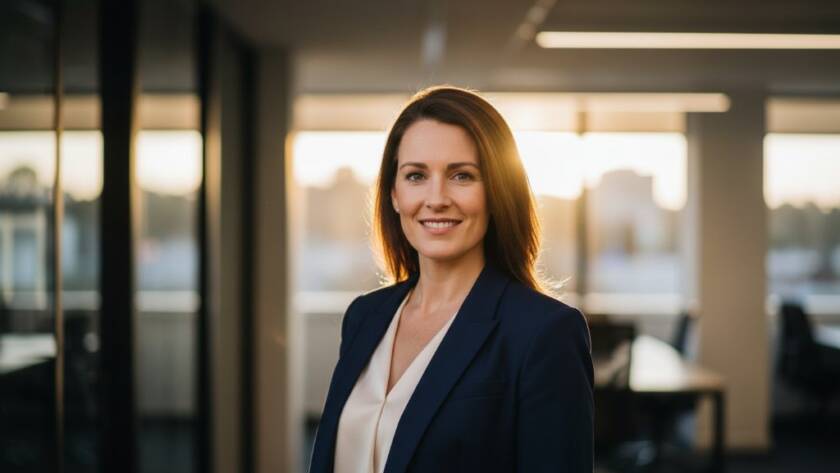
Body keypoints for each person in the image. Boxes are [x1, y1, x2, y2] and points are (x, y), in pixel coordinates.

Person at [309, 86, 593, 473]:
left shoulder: (543, 333)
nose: (437, 197)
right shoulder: (364, 317)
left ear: (496, 191)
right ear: (394, 194)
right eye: (416, 176)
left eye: (462, 175)